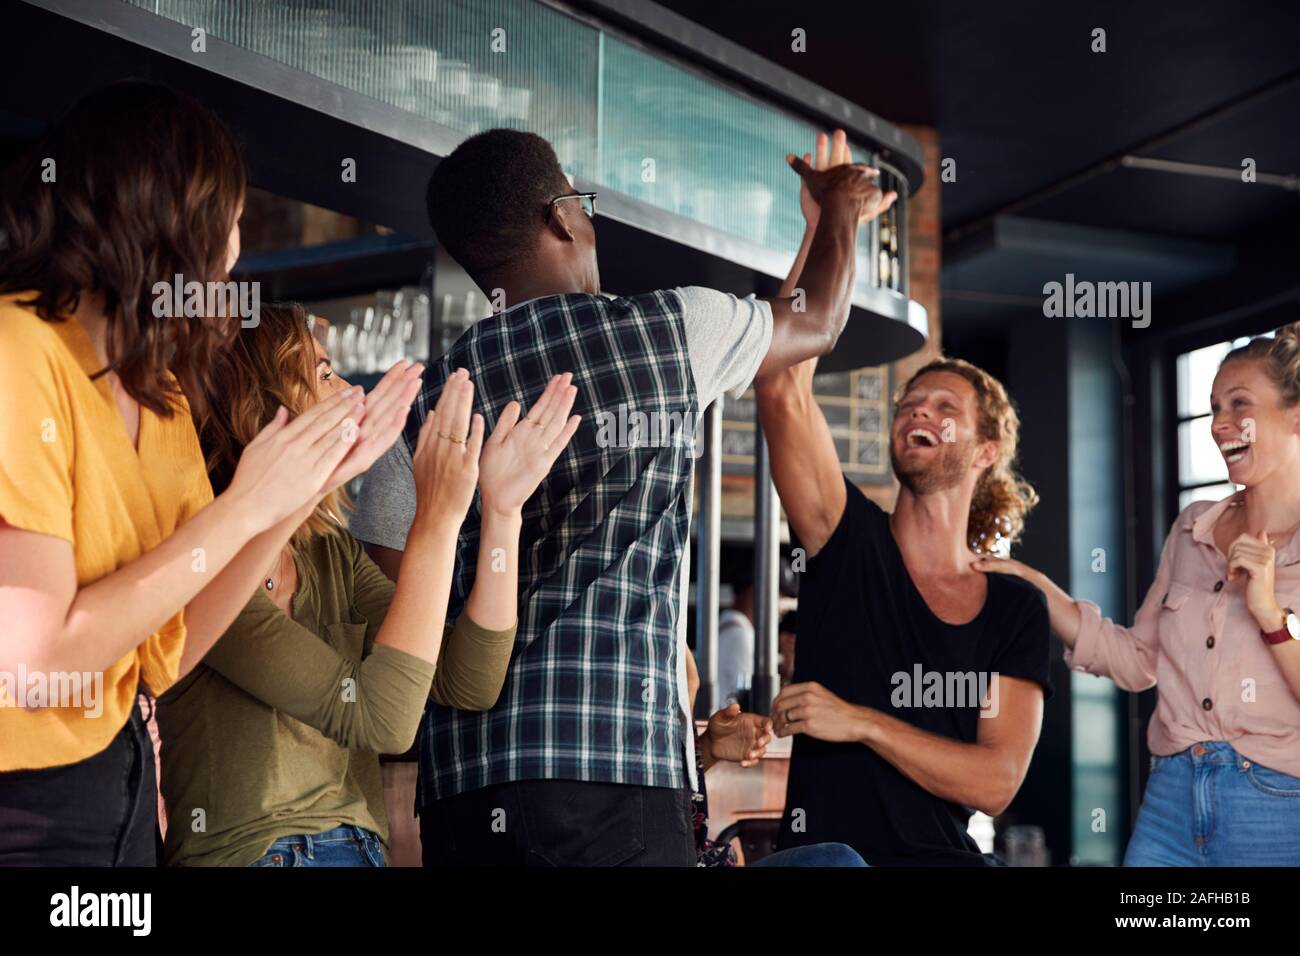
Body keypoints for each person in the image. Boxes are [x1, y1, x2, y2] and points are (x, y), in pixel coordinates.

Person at [349, 126, 895, 866]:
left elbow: (392, 634)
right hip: (620, 774)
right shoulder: (673, 331)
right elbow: (817, 318)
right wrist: (837, 210)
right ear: (563, 215)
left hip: (466, 794)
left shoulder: (419, 411)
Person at [0, 81, 420, 866]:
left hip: (118, 791)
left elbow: (173, 650)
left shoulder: (155, 396)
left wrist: (283, 505)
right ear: (170, 222)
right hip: (24, 807)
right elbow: (33, 667)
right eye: (228, 226)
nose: (233, 257)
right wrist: (246, 507)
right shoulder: (17, 351)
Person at [156, 303, 579, 866]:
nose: (350, 391)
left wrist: (502, 512)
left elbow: (467, 679)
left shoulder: (331, 551)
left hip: (358, 850)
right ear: (263, 409)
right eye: (325, 374)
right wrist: (435, 518)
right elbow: (382, 720)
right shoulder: (207, 558)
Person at [755, 132, 1053, 866]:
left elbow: (995, 781)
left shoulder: (1014, 609)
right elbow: (779, 380)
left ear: (987, 452)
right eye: (910, 403)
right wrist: (828, 223)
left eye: (944, 406)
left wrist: (861, 723)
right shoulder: (843, 539)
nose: (918, 411)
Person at [977, 327, 1300, 866]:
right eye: (1214, 406)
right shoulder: (1193, 528)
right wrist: (1028, 581)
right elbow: (1137, 661)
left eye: (1239, 404)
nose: (1220, 424)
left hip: (1275, 804)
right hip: (1170, 799)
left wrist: (1270, 615)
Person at [682, 653, 864, 867]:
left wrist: (707, 748)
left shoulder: (673, 650)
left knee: (838, 859)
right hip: (674, 853)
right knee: (839, 860)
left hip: (701, 854)